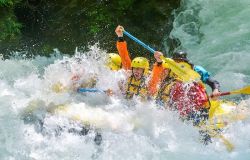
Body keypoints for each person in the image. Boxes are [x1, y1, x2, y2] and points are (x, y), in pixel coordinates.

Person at [115, 25, 152, 100]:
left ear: (144, 70)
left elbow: (157, 76)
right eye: (134, 68)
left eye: (139, 69)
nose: (136, 71)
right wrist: (120, 36)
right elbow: (124, 55)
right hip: (125, 104)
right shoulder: (129, 73)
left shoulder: (149, 80)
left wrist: (159, 62)